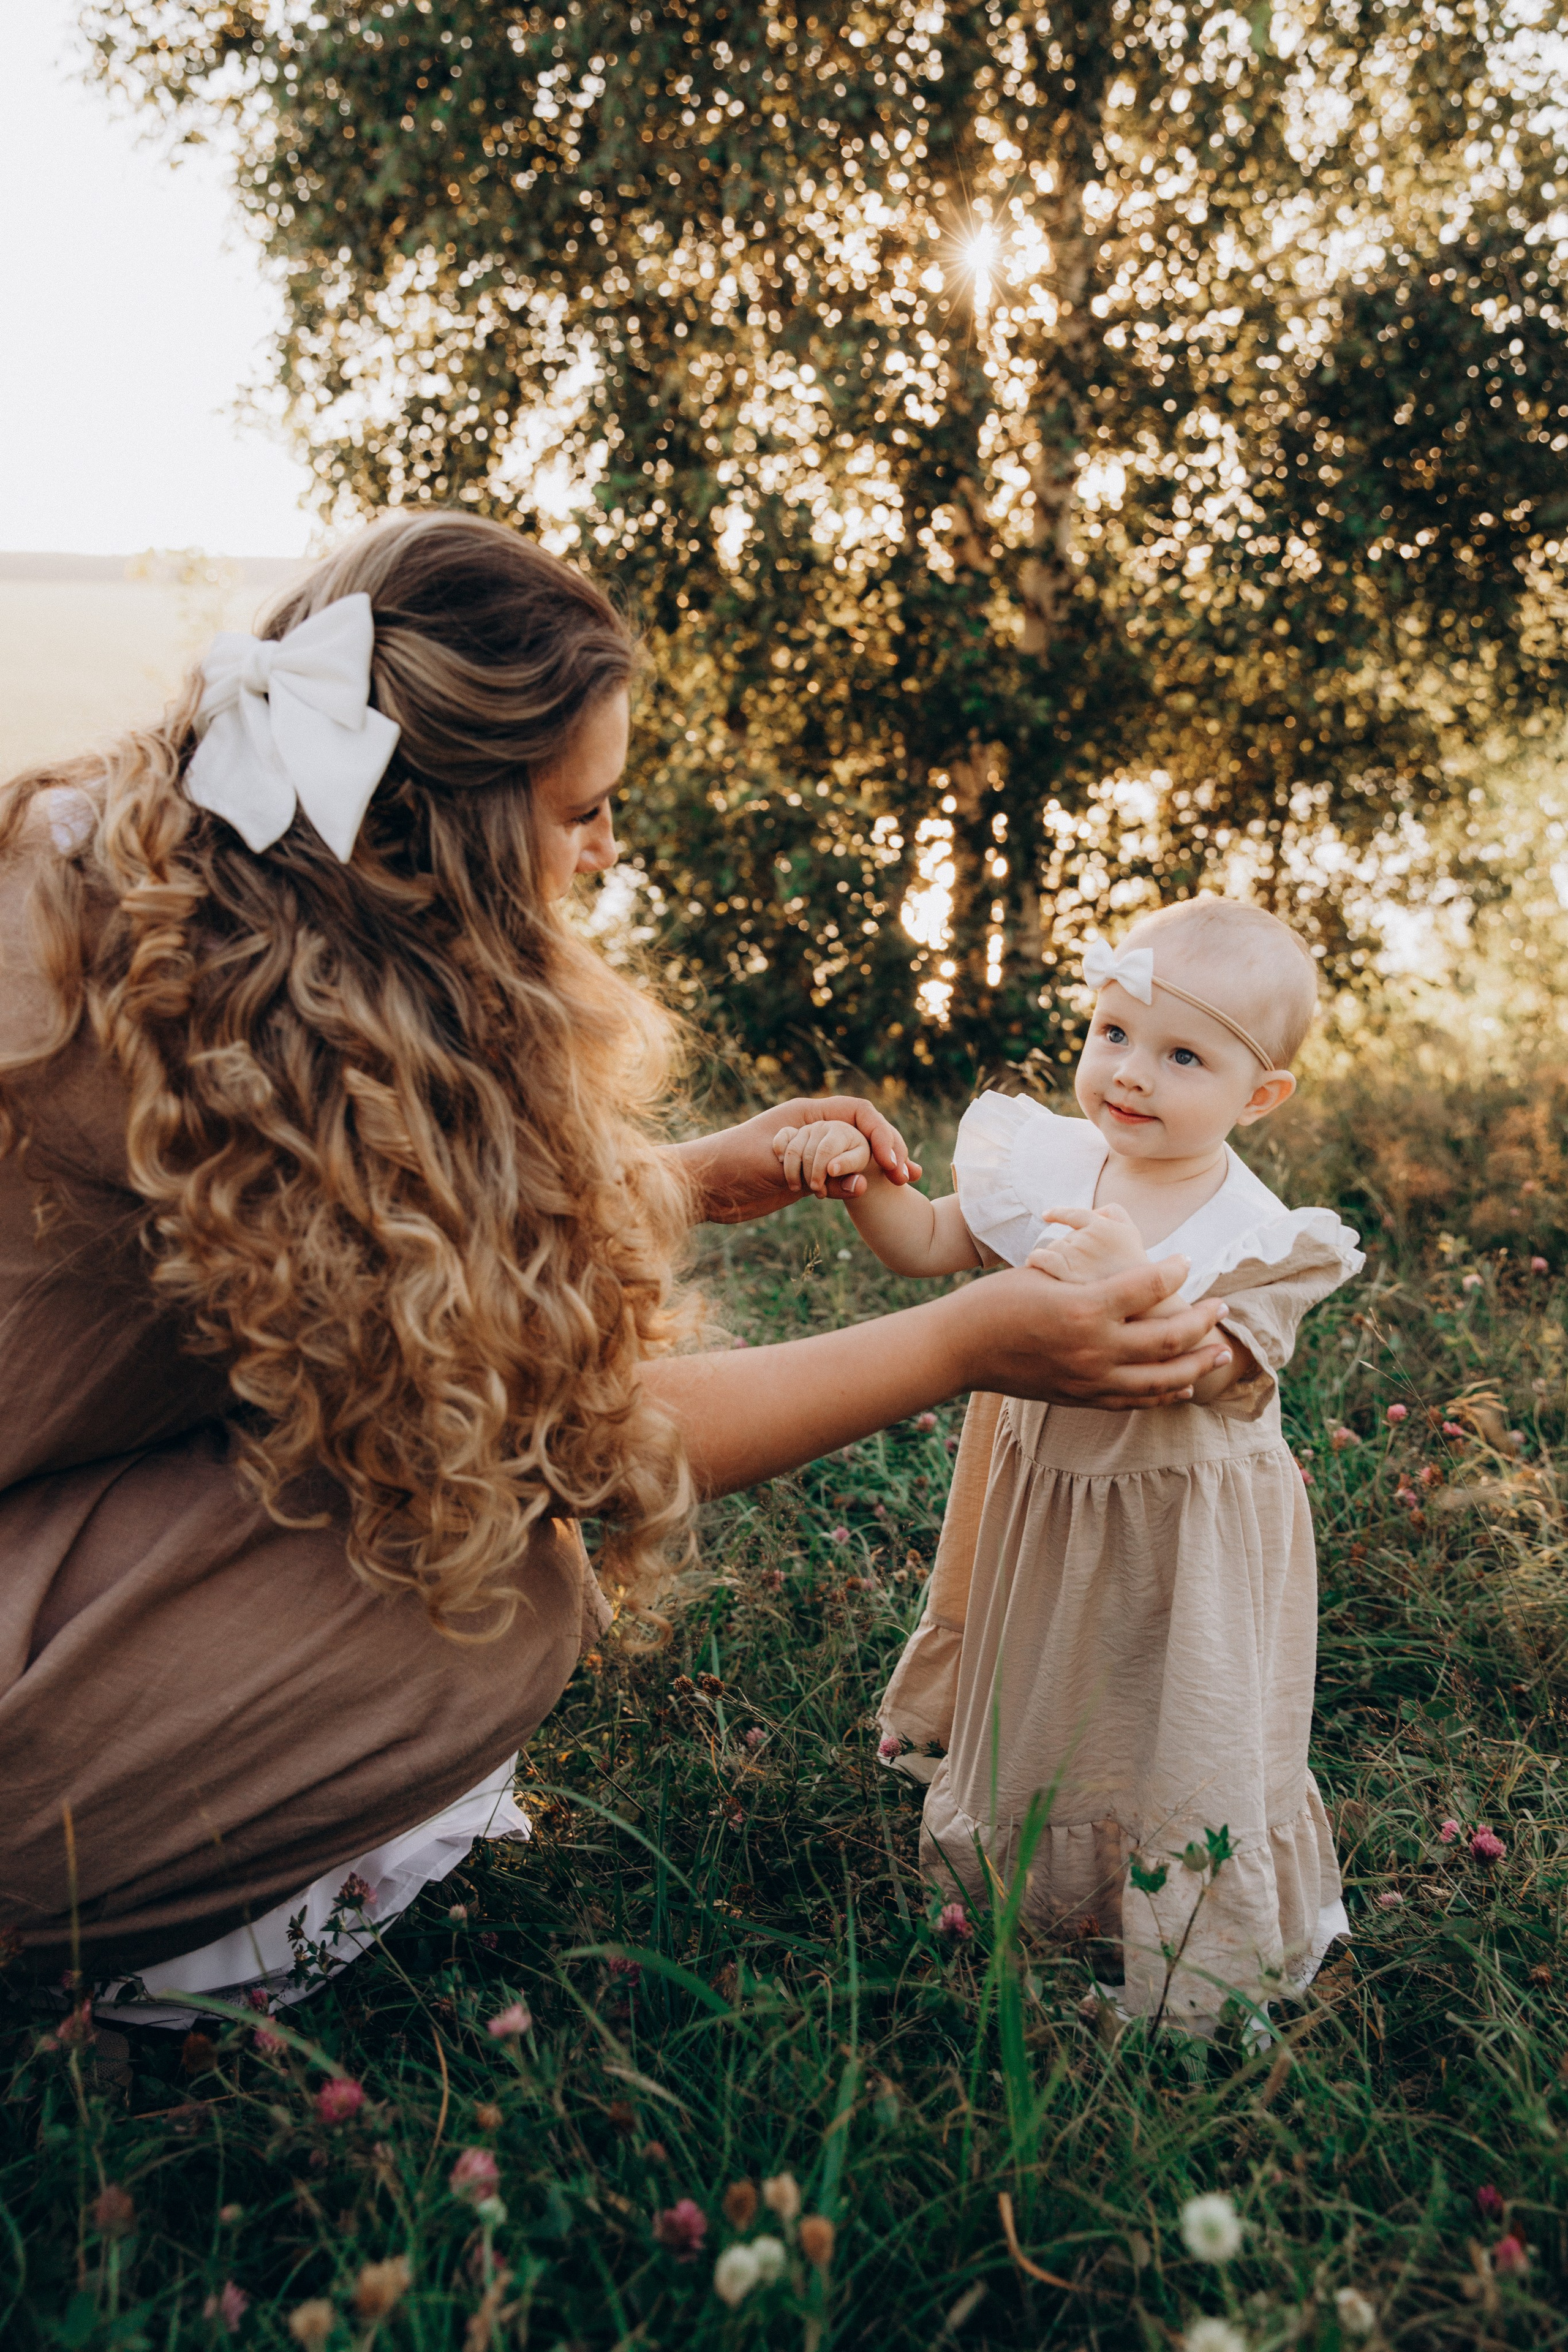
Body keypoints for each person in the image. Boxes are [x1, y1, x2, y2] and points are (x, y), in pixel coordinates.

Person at [0, 512, 1234, 2006]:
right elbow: (555, 1444)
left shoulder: (153, 891)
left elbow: (342, 1248)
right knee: (476, 1594)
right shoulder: (216, 1028)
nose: (603, 850)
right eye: (580, 810)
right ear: (435, 826)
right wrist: (964, 1341)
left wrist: (682, 1181)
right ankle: (117, 1956)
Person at [774, 899, 1362, 2026]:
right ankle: (1041, 1887)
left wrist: (1124, 1272)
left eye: (1182, 1055)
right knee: (1054, 1680)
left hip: (1179, 1527)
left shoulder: (1259, 1234)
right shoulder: (1053, 1160)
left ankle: (1182, 1931)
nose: (1130, 1075)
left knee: (1167, 1705)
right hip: (1046, 1498)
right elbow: (932, 1247)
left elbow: (1217, 1370)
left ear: (1261, 1094)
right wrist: (864, 1183)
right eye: (1112, 1034)